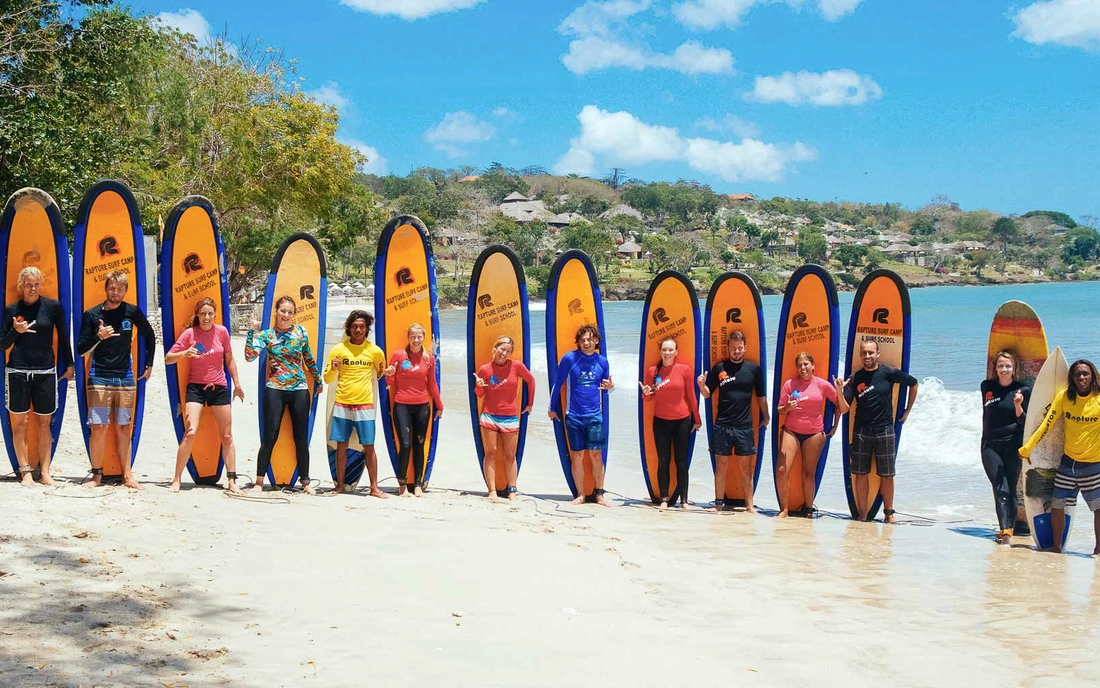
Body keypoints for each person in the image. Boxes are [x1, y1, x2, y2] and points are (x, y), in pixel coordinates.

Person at [76, 269, 156, 489]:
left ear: (125, 290)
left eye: (120, 288)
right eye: (112, 287)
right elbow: (81, 349)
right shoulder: (92, 315)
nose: (115, 292)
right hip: (99, 377)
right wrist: (98, 337)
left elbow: (150, 336)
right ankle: (96, 476)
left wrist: (149, 365)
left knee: (123, 427)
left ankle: (127, 476)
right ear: (106, 288)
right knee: (99, 427)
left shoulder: (131, 312)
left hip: (125, 379)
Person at [0, 267, 74, 486]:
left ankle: (45, 472)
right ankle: (25, 472)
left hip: (45, 371)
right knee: (20, 423)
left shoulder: (52, 307)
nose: (32, 288)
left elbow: (63, 336)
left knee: (44, 423)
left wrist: (69, 365)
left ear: (41, 285)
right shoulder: (11, 310)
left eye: (36, 284)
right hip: (17, 371)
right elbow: (2, 344)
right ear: (21, 285)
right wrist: (16, 332)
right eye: (28, 284)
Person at [1019, 359, 1100, 555]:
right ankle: (1056, 546)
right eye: (1077, 374)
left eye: (1085, 374)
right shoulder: (1065, 397)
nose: (1081, 377)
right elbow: (1047, 424)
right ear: (1072, 377)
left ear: (1092, 376)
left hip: (1092, 465)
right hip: (1068, 463)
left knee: (1098, 508)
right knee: (1057, 504)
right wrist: (1028, 447)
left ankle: (1098, 549)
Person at [164, 298, 244, 494]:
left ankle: (232, 480)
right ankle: (176, 479)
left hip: (219, 387)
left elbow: (230, 360)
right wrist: (184, 353)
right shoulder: (190, 334)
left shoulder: (222, 332)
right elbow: (168, 359)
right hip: (196, 388)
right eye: (203, 314)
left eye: (210, 314)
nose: (207, 317)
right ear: (197, 315)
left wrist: (237, 384)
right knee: (190, 433)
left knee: (226, 436)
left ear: (214, 314)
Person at [245, 295, 322, 495]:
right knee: (270, 435)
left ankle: (305, 482)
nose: (286, 315)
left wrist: (318, 380)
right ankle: (259, 482)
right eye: (282, 311)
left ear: (294, 315)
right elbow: (249, 356)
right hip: (275, 389)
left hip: (299, 390)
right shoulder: (267, 335)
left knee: (300, 437)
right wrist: (251, 331)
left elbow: (308, 358)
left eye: (290, 312)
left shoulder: (301, 332)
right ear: (276, 312)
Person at [842, 339, 919, 523]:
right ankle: (862, 515)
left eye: (871, 352)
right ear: (860, 355)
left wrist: (908, 410)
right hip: (861, 431)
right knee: (860, 473)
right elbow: (845, 409)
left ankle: (889, 513)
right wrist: (839, 390)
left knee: (887, 474)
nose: (867, 356)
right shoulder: (855, 378)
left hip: (885, 430)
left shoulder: (888, 373)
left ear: (878, 354)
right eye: (864, 353)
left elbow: (914, 384)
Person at [698, 330, 768, 513]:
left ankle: (750, 506)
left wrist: (766, 416)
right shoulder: (719, 368)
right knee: (721, 467)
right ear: (728, 348)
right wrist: (701, 386)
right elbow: (707, 394)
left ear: (745, 348)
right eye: (733, 348)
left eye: (739, 348)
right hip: (723, 425)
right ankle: (719, 504)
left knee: (746, 469)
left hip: (744, 427)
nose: (736, 351)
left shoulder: (754, 369)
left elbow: (761, 396)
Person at [776, 352, 849, 518]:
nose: (803, 368)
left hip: (814, 433)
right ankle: (784, 509)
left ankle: (808, 509)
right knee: (781, 469)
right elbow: (779, 409)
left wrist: (835, 426)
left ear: (813, 366)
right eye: (800, 365)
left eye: (806, 364)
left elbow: (839, 405)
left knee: (808, 473)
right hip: (791, 431)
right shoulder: (790, 384)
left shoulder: (822, 385)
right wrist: (786, 408)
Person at [548, 324, 614, 506]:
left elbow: (607, 387)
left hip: (595, 415)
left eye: (590, 339)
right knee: (576, 455)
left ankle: (599, 494)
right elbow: (558, 383)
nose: (586, 342)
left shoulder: (602, 362)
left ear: (596, 341)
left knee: (596, 455)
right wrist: (551, 408)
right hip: (574, 415)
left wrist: (611, 388)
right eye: (583, 340)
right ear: (578, 342)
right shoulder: (569, 359)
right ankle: (580, 495)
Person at [323, 310, 387, 497]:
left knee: (369, 446)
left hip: (365, 405)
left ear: (367, 329)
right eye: (355, 326)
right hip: (342, 404)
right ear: (349, 328)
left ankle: (374, 487)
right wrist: (333, 369)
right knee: (341, 445)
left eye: (362, 326)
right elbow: (327, 378)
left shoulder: (375, 351)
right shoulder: (338, 350)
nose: (358, 329)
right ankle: (340, 485)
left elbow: (381, 373)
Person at [383, 322, 443, 497]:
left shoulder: (428, 358)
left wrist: (439, 405)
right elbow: (389, 383)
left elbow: (432, 384)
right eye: (413, 337)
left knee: (419, 444)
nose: (416, 340)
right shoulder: (399, 356)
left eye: (419, 337)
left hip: (422, 406)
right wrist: (389, 374)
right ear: (408, 338)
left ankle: (417, 484)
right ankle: (402, 484)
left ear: (424, 337)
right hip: (402, 404)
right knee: (406, 444)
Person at [473, 335, 536, 500]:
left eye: (508, 351)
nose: (504, 353)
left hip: (510, 416)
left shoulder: (516, 366)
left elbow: (531, 380)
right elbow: (479, 394)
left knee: (510, 454)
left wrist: (530, 404)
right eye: (502, 349)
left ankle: (512, 490)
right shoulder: (485, 369)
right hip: (489, 416)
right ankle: (492, 491)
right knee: (491, 452)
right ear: (495, 348)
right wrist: (479, 386)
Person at [640, 337, 700, 509]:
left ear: (676, 352)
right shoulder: (653, 371)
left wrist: (697, 419)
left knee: (681, 462)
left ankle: (684, 500)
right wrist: (645, 392)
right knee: (663, 460)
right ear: (660, 351)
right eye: (664, 350)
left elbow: (691, 396)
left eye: (670, 350)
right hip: (661, 422)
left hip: (682, 421)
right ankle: (664, 499)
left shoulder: (684, 370)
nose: (667, 353)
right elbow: (648, 398)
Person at [981, 351, 1030, 545]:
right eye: (1000, 366)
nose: (1004, 370)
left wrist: (1018, 406)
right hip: (989, 446)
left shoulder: (1022, 390)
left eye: (1008, 366)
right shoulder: (986, 387)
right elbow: (985, 415)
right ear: (995, 368)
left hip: (1013, 445)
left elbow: (1025, 422)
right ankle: (1005, 533)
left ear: (1014, 368)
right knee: (1000, 488)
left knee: (1009, 489)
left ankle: (1008, 530)